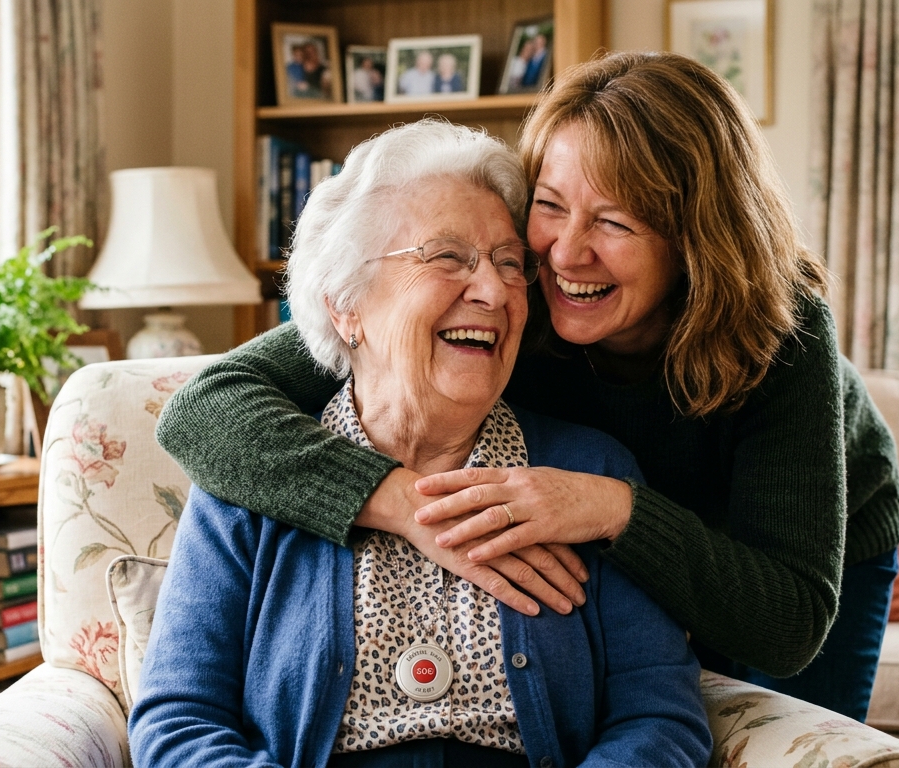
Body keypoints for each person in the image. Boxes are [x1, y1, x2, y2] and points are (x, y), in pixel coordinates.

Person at [157, 51, 899, 723]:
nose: (566, 253)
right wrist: (400, 504)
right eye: (549, 206)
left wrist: (611, 506)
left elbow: (786, 625)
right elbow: (204, 409)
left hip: (802, 550)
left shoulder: (780, 328)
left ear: (694, 238)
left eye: (614, 221)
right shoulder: (508, 284)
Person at [131, 119, 711, 768]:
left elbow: (659, 719)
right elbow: (178, 723)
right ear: (346, 306)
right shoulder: (249, 477)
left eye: (510, 264)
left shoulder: (589, 473)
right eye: (447, 257)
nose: (493, 291)